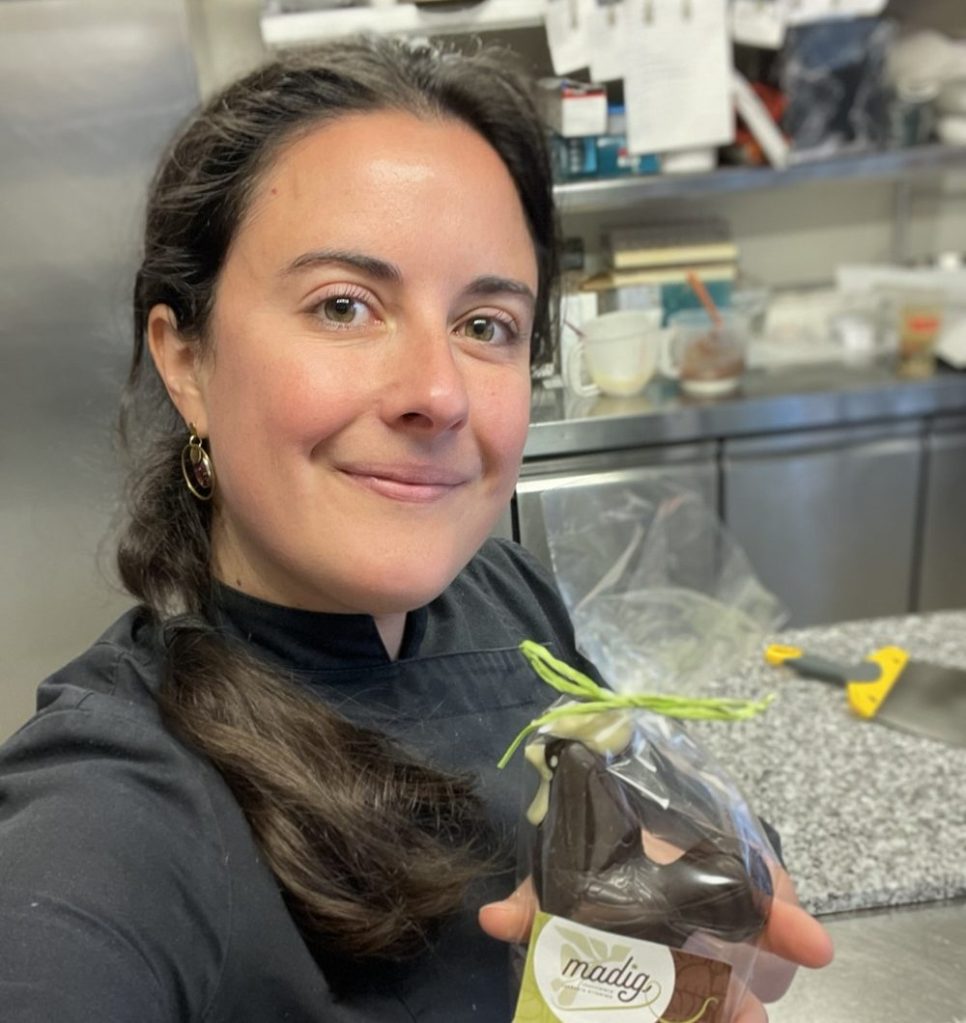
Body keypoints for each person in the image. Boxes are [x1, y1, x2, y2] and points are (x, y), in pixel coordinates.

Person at [0, 36, 831, 1022]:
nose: (437, 394)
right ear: (187, 361)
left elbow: (654, 815)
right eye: (344, 306)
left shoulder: (507, 593)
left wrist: (701, 886)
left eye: (486, 325)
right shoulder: (115, 808)